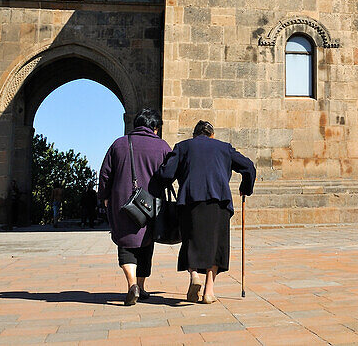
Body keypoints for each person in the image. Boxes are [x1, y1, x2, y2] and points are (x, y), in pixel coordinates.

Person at [153, 120, 255, 304]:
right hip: (219, 201)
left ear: (194, 135)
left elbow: (166, 174)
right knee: (216, 245)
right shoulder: (224, 148)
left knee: (191, 241)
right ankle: (209, 291)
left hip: (190, 200)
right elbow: (249, 166)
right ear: (212, 135)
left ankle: (194, 276)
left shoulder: (183, 147)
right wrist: (245, 187)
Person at [99, 108, 173, 306]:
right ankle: (140, 285)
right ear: (154, 128)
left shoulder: (119, 144)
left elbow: (105, 174)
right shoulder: (163, 146)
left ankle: (132, 284)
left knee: (126, 242)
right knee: (146, 242)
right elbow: (171, 172)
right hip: (151, 204)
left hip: (123, 202)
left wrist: (104, 197)